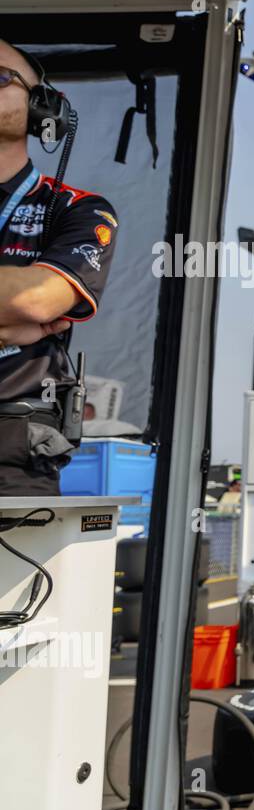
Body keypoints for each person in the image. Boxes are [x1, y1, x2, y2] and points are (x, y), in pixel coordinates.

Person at [0, 40, 117, 495]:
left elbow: (37, 298)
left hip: (14, 460)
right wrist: (13, 325)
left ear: (41, 107)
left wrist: (28, 308)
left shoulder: (80, 209)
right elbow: (26, 307)